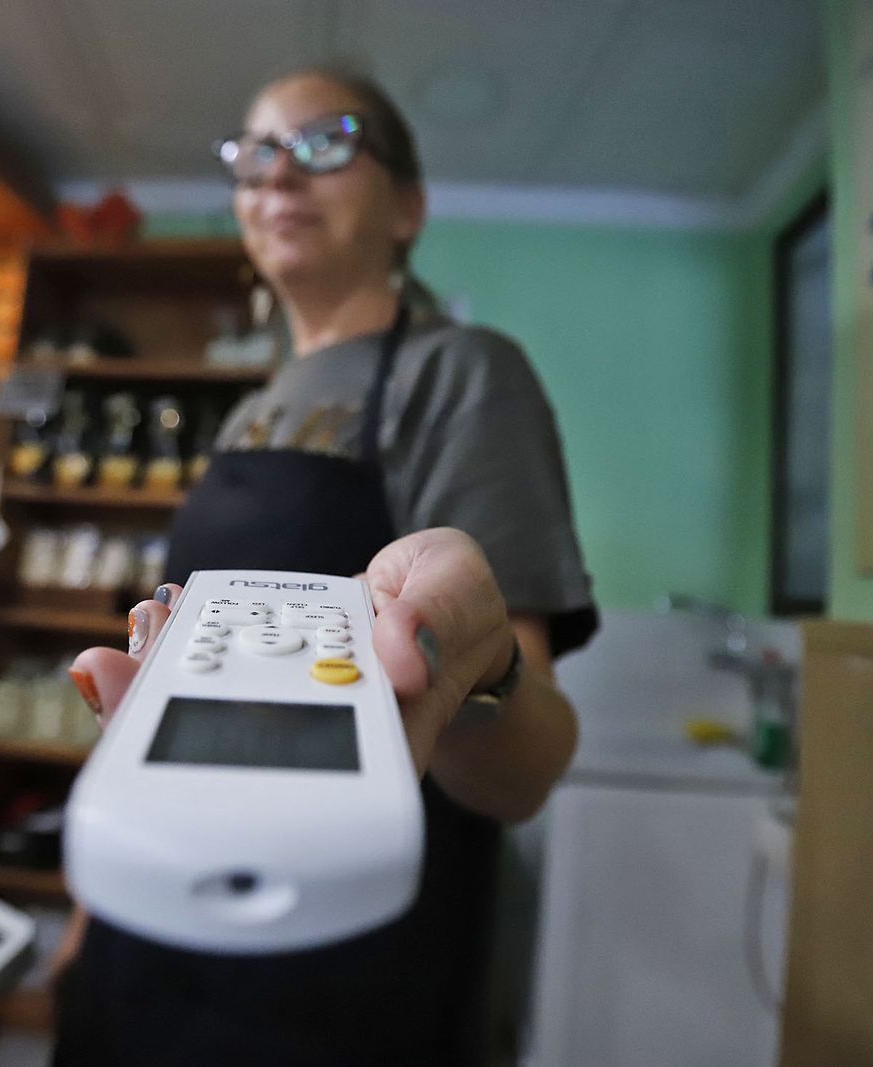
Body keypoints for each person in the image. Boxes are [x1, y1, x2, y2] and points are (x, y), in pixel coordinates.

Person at [51, 67, 597, 1066]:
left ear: (408, 205)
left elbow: (533, 763)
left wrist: (473, 673)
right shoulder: (259, 402)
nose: (278, 176)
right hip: (148, 922)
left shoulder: (462, 371)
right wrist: (89, 916)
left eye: (325, 143)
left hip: (339, 965)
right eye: (255, 155)